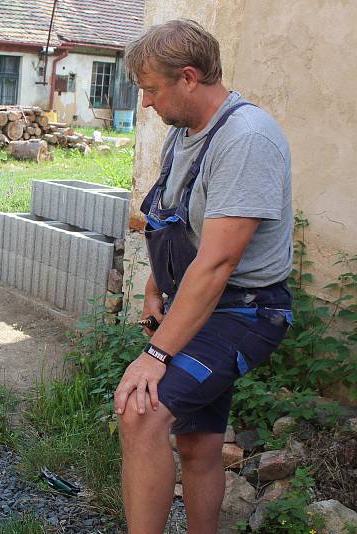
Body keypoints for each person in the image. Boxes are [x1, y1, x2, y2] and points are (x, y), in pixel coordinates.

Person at [114, 20, 293, 533]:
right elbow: (173, 222)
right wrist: (154, 285)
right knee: (198, 443)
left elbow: (217, 263)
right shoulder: (186, 133)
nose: (146, 103)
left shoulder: (246, 139)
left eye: (151, 88)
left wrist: (155, 355)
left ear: (189, 77)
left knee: (140, 412)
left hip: (246, 310)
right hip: (199, 303)